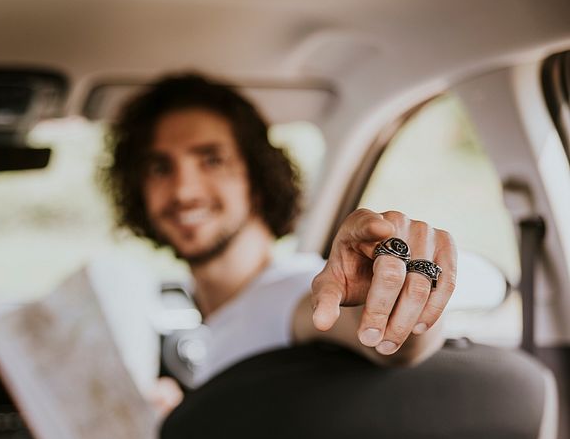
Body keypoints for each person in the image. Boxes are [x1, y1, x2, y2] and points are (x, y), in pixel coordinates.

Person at [104, 72, 456, 385]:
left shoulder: (290, 292)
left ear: (257, 177)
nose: (184, 191)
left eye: (212, 161)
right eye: (160, 168)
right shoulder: (230, 320)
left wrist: (397, 288)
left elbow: (386, 343)